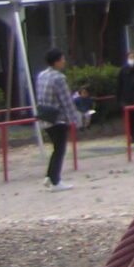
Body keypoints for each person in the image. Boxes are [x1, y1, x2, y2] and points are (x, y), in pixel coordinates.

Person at [36, 48, 88, 190]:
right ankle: (55, 181)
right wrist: (75, 120)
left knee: (56, 148)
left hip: (45, 117)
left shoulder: (42, 75)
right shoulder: (59, 78)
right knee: (60, 150)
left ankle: (49, 176)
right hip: (58, 119)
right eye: (62, 59)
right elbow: (66, 101)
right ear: (57, 61)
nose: (64, 61)